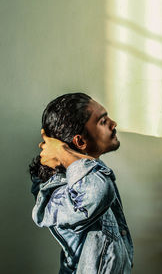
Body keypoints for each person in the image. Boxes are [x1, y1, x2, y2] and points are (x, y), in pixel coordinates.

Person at [30, 92, 134, 274]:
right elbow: (98, 192)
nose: (113, 124)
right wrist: (63, 153)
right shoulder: (57, 190)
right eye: (103, 122)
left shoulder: (91, 170)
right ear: (80, 141)